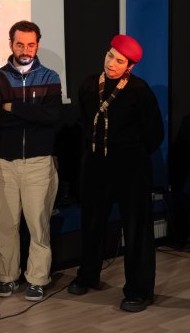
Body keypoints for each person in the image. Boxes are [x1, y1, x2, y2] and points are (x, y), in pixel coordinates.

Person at [68, 34, 163, 312]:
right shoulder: (88, 85)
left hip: (130, 165)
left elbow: (154, 133)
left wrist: (130, 151)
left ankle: (139, 291)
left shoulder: (139, 90)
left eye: (120, 61)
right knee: (92, 220)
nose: (111, 63)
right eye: (110, 56)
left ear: (130, 66)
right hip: (96, 163)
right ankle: (88, 275)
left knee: (136, 227)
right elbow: (84, 122)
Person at [0, 20, 62, 302]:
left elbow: (52, 117)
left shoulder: (50, 77)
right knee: (5, 224)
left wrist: (13, 107)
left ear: (37, 45)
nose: (25, 50)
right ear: (11, 44)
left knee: (38, 225)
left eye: (31, 44)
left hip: (38, 163)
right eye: (20, 44)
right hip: (2, 163)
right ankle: (7, 277)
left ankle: (37, 279)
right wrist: (32, 114)